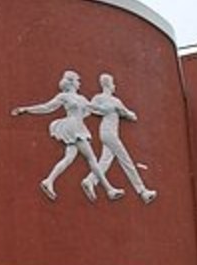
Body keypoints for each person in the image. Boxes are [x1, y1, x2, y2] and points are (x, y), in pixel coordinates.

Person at [12, 70, 125, 203]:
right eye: (78, 81)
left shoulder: (82, 99)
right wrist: (26, 109)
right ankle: (109, 189)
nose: (79, 83)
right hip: (73, 127)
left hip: (78, 126)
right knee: (91, 158)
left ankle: (48, 181)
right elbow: (46, 107)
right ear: (71, 82)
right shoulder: (64, 96)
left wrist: (109, 108)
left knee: (69, 158)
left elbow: (92, 110)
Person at [82, 73, 158, 204]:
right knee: (126, 160)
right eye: (113, 83)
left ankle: (90, 181)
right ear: (108, 85)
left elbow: (132, 116)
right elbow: (90, 109)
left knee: (105, 161)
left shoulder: (116, 101)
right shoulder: (99, 98)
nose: (114, 86)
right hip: (107, 132)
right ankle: (142, 191)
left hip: (112, 133)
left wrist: (123, 111)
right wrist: (106, 108)